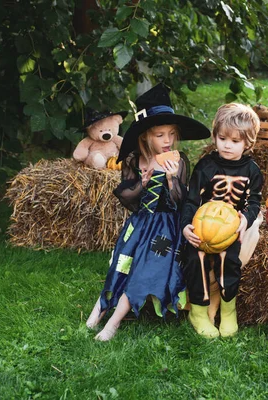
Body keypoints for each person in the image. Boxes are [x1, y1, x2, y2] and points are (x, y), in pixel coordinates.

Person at [86, 83, 210, 341]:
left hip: (166, 230)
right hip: (140, 226)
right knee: (123, 264)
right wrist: (142, 184)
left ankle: (114, 323)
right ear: (145, 137)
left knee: (146, 266)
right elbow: (126, 198)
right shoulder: (134, 161)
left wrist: (172, 179)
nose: (167, 141)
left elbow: (181, 201)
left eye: (171, 134)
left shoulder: (179, 160)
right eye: (160, 135)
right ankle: (100, 308)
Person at [181, 103, 264, 338]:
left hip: (230, 229)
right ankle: (198, 311)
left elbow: (254, 202)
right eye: (222, 138)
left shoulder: (252, 171)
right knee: (194, 257)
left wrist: (245, 220)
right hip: (201, 227)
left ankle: (228, 312)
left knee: (230, 261)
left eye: (235, 141)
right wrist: (186, 226)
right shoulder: (206, 166)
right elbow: (190, 200)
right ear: (215, 136)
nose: (227, 145)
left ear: (248, 143)